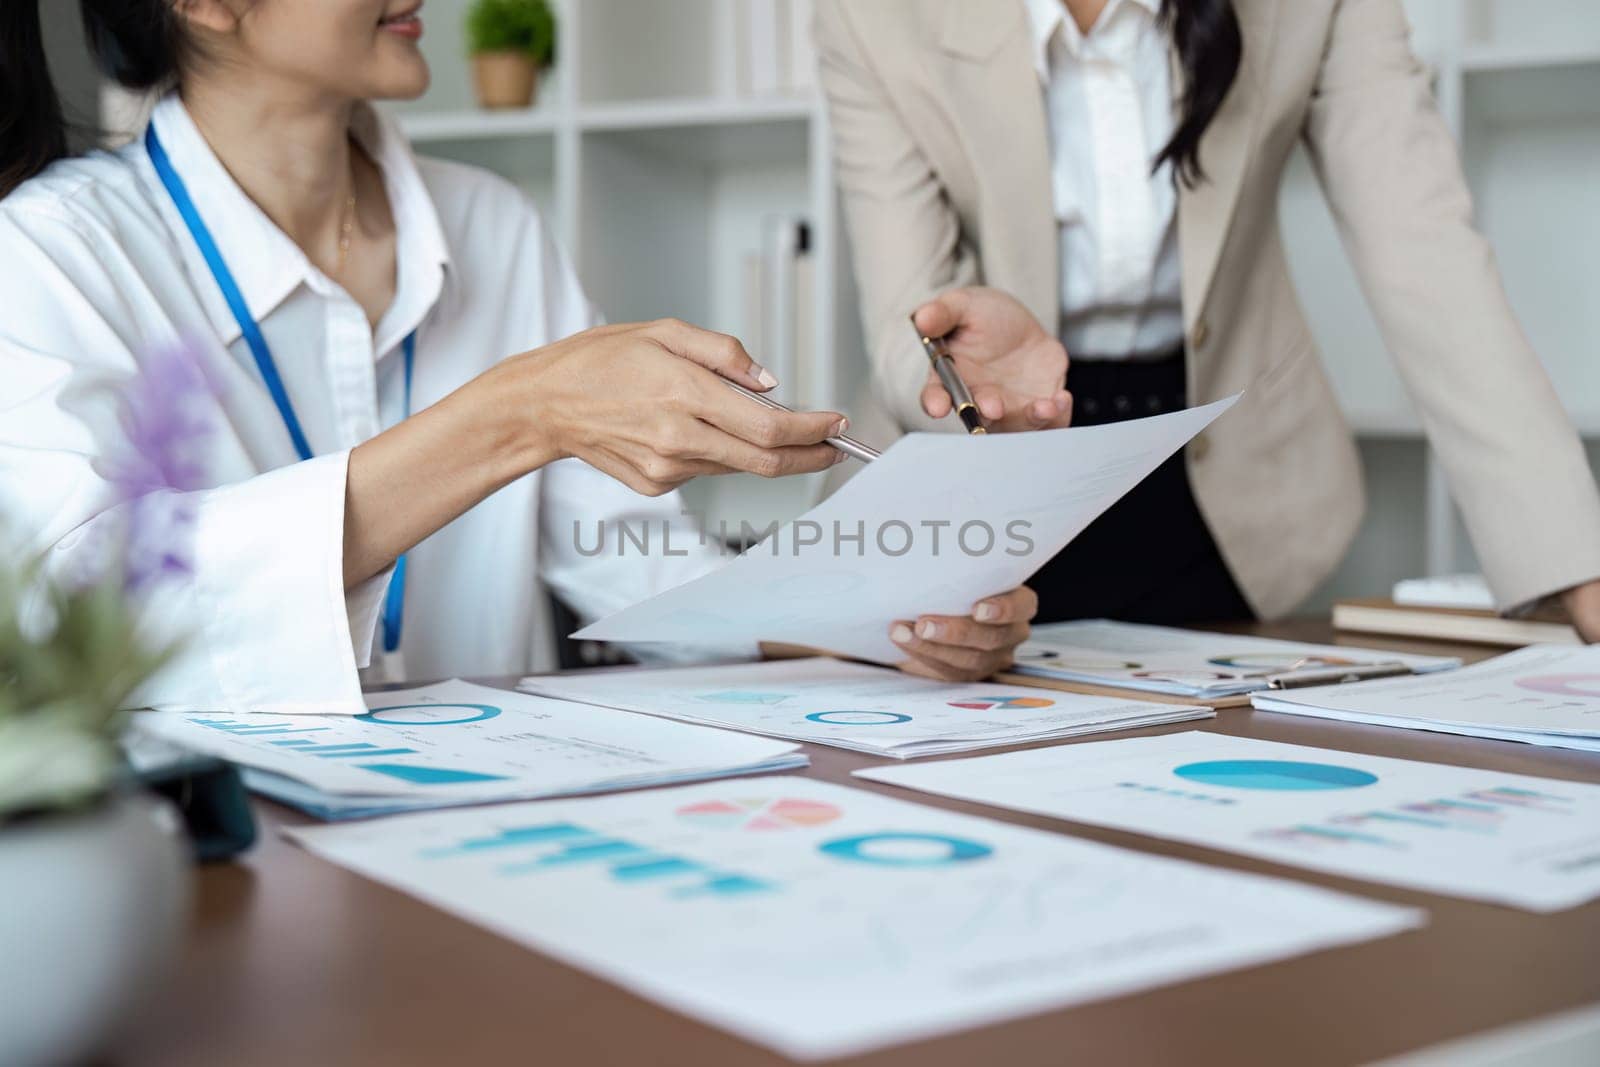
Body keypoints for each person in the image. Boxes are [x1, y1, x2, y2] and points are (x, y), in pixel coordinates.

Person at [0, 0, 1039, 717]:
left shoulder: (491, 224)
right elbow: (85, 614)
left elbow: (638, 567)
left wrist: (878, 626)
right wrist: (518, 414)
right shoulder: (54, 250)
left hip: (492, 833)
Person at [815, 0, 1600, 640]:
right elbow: (903, 309)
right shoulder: (872, 14)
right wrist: (961, 374)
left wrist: (1575, 559)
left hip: (1228, 477)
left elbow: (1426, 250)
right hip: (997, 470)